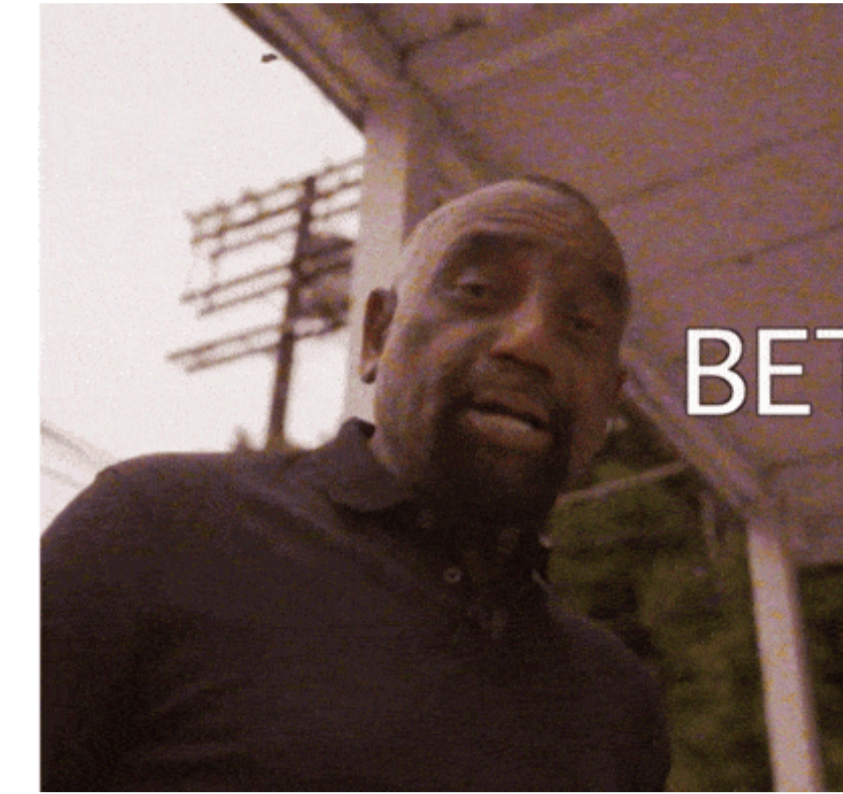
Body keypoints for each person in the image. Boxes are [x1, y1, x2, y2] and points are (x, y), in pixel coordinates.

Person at [41, 178, 671, 791]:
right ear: (376, 335)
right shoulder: (158, 531)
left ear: (608, 405)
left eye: (583, 325)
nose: (530, 342)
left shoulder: (618, 705)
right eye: (478, 291)